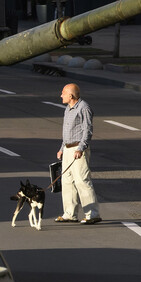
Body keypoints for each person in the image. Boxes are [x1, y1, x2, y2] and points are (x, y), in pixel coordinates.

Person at [54, 83, 102, 225]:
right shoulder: (68, 109)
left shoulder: (84, 108)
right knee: (67, 181)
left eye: (63, 93)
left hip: (78, 149)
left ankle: (92, 214)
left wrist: (81, 148)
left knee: (82, 180)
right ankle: (70, 213)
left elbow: (87, 130)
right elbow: (66, 132)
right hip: (68, 148)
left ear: (71, 95)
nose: (61, 95)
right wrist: (62, 148)